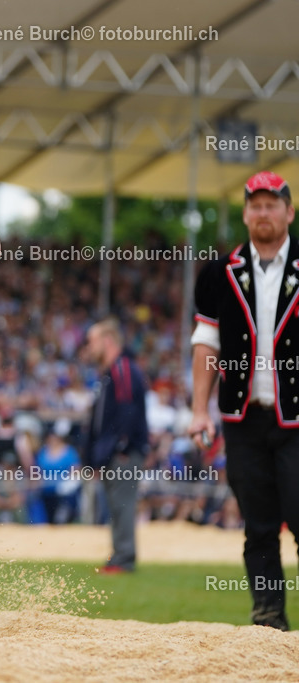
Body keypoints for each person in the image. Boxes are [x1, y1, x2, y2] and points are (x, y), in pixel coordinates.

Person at [189, 171, 299, 631]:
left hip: (296, 419)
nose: (264, 212)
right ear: (246, 212)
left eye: (272, 204)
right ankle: (268, 620)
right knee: (258, 524)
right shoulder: (219, 272)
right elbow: (206, 342)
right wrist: (198, 410)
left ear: (289, 212)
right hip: (242, 419)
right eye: (256, 204)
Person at [81, 318, 148, 573]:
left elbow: (127, 411)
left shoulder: (122, 369)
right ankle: (119, 555)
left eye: (92, 341)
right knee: (116, 505)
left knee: (123, 504)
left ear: (107, 341)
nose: (89, 348)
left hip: (123, 454)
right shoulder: (114, 371)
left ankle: (124, 558)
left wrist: (121, 447)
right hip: (116, 453)